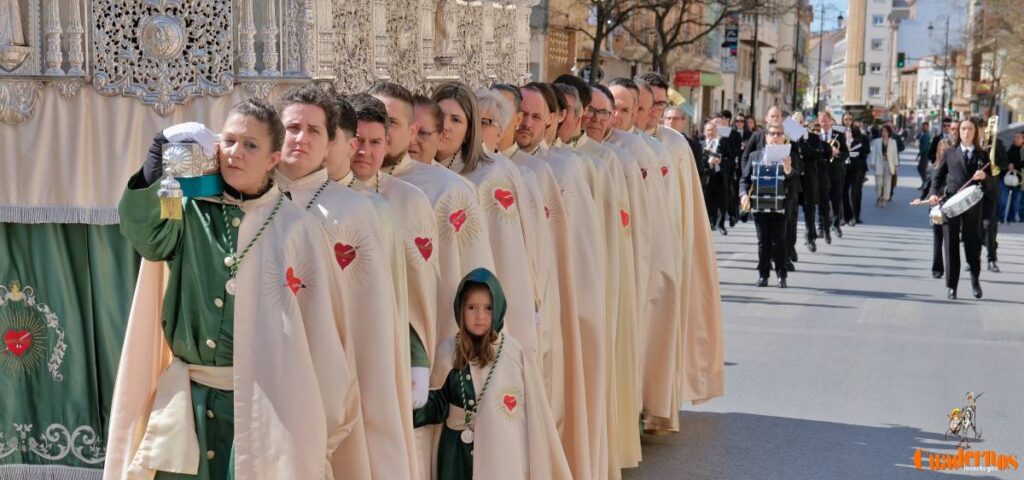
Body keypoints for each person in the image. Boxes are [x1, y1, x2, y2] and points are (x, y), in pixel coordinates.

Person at [107, 99, 356, 479]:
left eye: (251, 145)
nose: (235, 154)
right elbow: (148, 240)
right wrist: (149, 174)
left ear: (274, 158)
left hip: (263, 411)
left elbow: (317, 326)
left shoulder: (294, 227)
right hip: (187, 410)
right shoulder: (189, 208)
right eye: (229, 141)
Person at [274, 86, 416, 478]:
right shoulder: (254, 200)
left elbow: (372, 316)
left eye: (315, 131)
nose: (301, 139)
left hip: (339, 371)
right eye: (291, 128)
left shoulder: (357, 212)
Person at [413, 268, 572, 480]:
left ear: (497, 309)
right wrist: (411, 402)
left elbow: (529, 418)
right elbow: (438, 405)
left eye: (487, 308)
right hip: (455, 453)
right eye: (472, 307)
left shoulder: (513, 354)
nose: (480, 316)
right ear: (461, 310)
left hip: (499, 451)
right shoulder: (448, 352)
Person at [431, 82, 540, 372]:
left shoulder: (490, 176)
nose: (445, 127)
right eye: (439, 117)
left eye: (456, 119)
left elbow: (507, 258)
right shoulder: (425, 171)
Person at [927, 117, 994, 299]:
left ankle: (974, 280)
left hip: (972, 206)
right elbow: (937, 177)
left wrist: (984, 177)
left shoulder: (982, 155)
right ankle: (952, 286)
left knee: (972, 244)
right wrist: (933, 193)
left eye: (970, 129)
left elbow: (991, 183)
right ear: (959, 131)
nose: (966, 132)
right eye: (963, 128)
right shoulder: (949, 152)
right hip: (950, 204)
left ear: (975, 132)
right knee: (950, 245)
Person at [740, 121, 797, 288]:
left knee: (779, 241)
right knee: (763, 241)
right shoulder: (755, 156)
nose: (775, 137)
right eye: (772, 133)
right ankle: (763, 275)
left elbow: (794, 182)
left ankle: (781, 275)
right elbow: (744, 179)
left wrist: (788, 170)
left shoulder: (789, 156)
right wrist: (743, 195)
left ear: (783, 138)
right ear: (766, 137)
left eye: (779, 134)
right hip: (759, 205)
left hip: (780, 206)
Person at [842, 113, 869, 225]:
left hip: (857, 167)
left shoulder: (859, 134)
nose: (847, 121)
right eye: (845, 119)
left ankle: (855, 216)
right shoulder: (839, 133)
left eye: (850, 119)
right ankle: (846, 216)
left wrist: (853, 152)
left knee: (855, 192)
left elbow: (865, 151)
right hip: (844, 166)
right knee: (843, 192)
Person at [871, 125, 899, 207]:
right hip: (879, 163)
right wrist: (873, 162)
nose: (884, 133)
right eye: (882, 131)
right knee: (879, 183)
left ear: (889, 132)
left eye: (886, 131)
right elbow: (874, 153)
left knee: (887, 182)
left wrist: (896, 165)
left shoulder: (893, 142)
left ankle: (884, 199)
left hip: (889, 163)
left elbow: (895, 155)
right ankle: (879, 196)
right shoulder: (876, 141)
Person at [1000, 132, 1024, 223]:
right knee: (1003, 199)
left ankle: (1011, 219)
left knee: (1015, 201)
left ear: (1022, 140)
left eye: (1018, 137)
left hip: (1017, 180)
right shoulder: (1008, 149)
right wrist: (1008, 165)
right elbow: (1002, 160)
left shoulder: (1022, 151)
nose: (1015, 139)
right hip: (1004, 177)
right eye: (1014, 137)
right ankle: (1000, 218)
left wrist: (1015, 166)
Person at [917, 121, 933, 188]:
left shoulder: (926, 135)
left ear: (928, 127)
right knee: (922, 169)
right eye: (923, 126)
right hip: (924, 154)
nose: (924, 128)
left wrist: (920, 154)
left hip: (925, 154)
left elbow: (924, 147)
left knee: (921, 169)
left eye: (925, 127)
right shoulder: (924, 134)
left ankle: (926, 183)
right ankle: (925, 182)